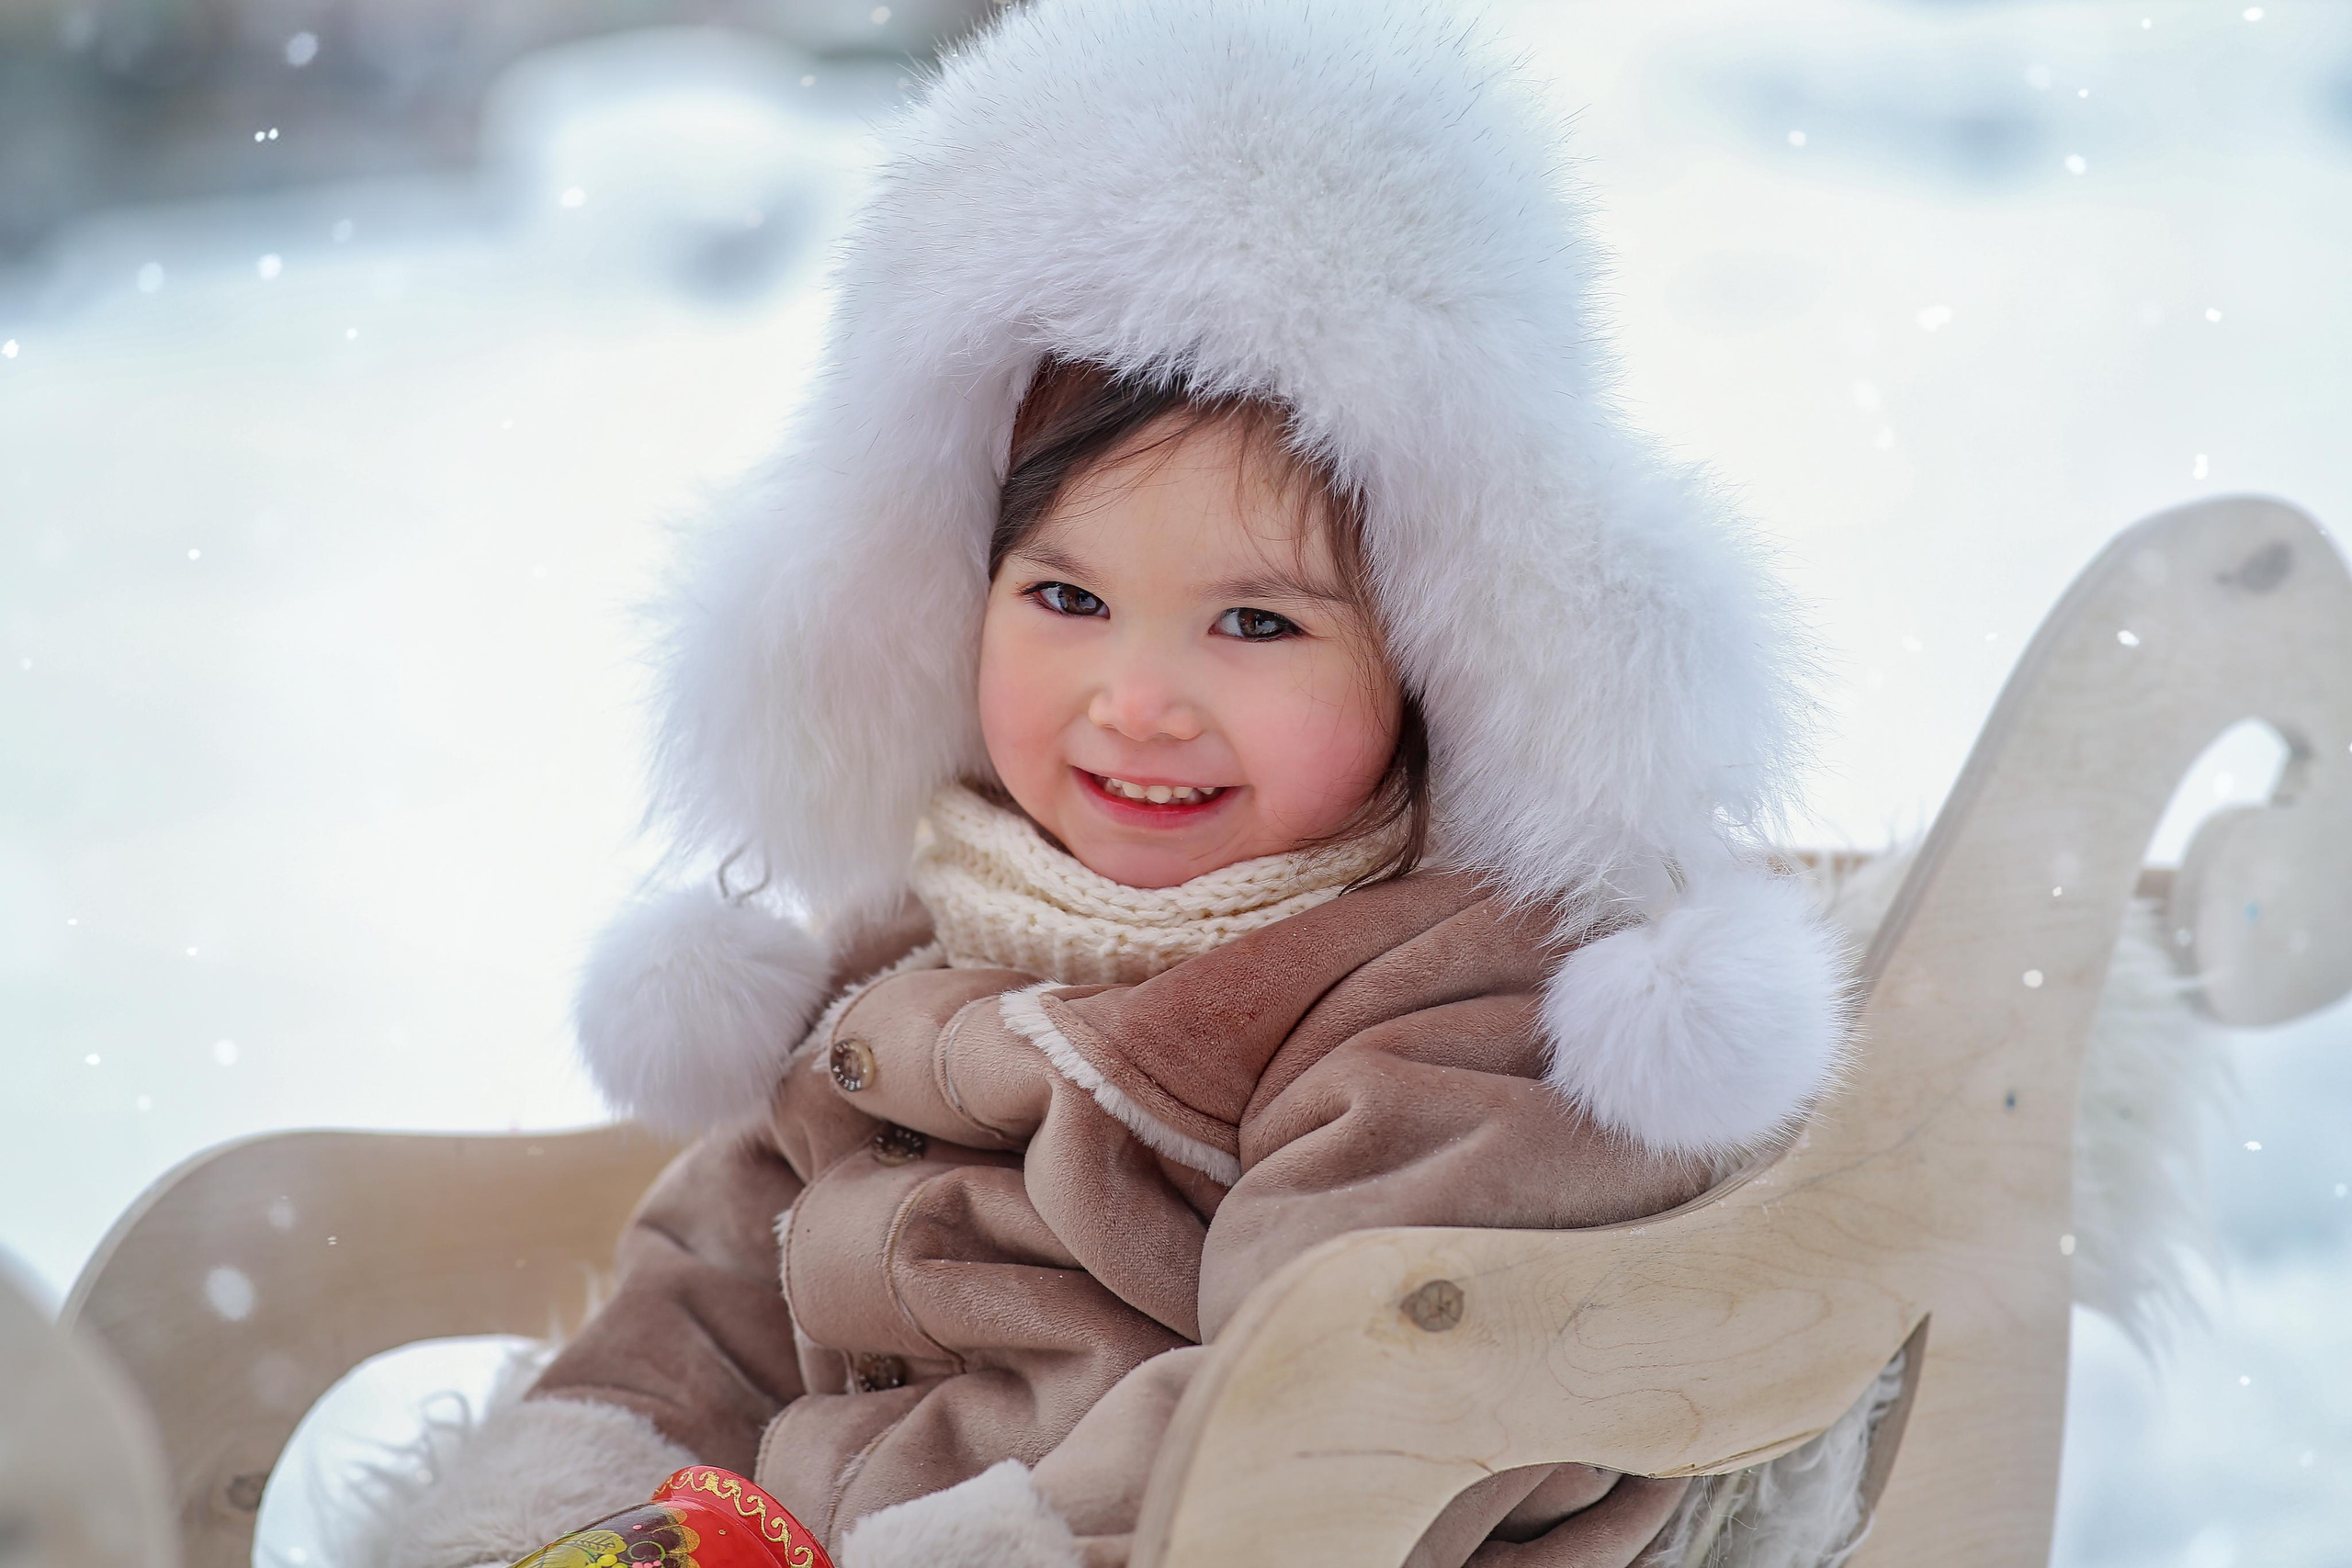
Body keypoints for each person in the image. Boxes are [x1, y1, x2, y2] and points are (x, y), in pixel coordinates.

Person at [366, 3, 1857, 1564]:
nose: (1137, 705)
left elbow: (1338, 1405)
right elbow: (724, 1289)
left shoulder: (1439, 1014)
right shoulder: (912, 938)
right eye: (1067, 600)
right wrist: (573, 1498)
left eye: (1257, 622)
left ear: (1435, 660)